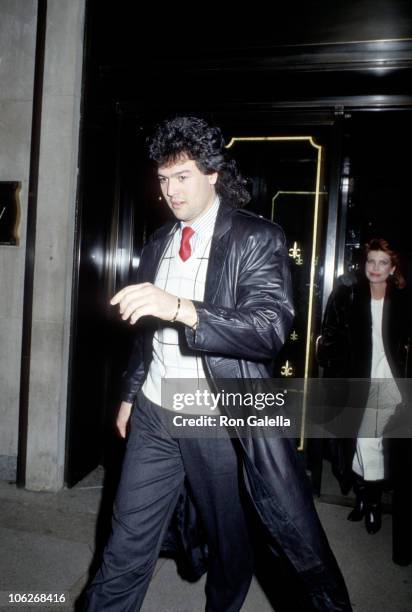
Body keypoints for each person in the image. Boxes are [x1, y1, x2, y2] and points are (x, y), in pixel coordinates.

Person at [84, 116, 351, 611]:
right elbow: (146, 338)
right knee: (124, 543)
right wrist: (128, 394)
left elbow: (269, 328)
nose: (170, 190)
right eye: (163, 179)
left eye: (181, 176)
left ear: (212, 174)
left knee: (231, 543)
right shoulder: (158, 242)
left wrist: (182, 308)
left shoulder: (256, 237)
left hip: (215, 418)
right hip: (153, 414)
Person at [318, 238, 410, 535]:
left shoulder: (404, 300)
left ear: (393, 268)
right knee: (357, 440)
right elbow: (329, 334)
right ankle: (362, 496)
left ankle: (371, 504)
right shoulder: (348, 294)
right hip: (354, 379)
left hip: (387, 380)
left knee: (370, 440)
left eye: (383, 263)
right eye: (372, 261)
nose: (376, 268)